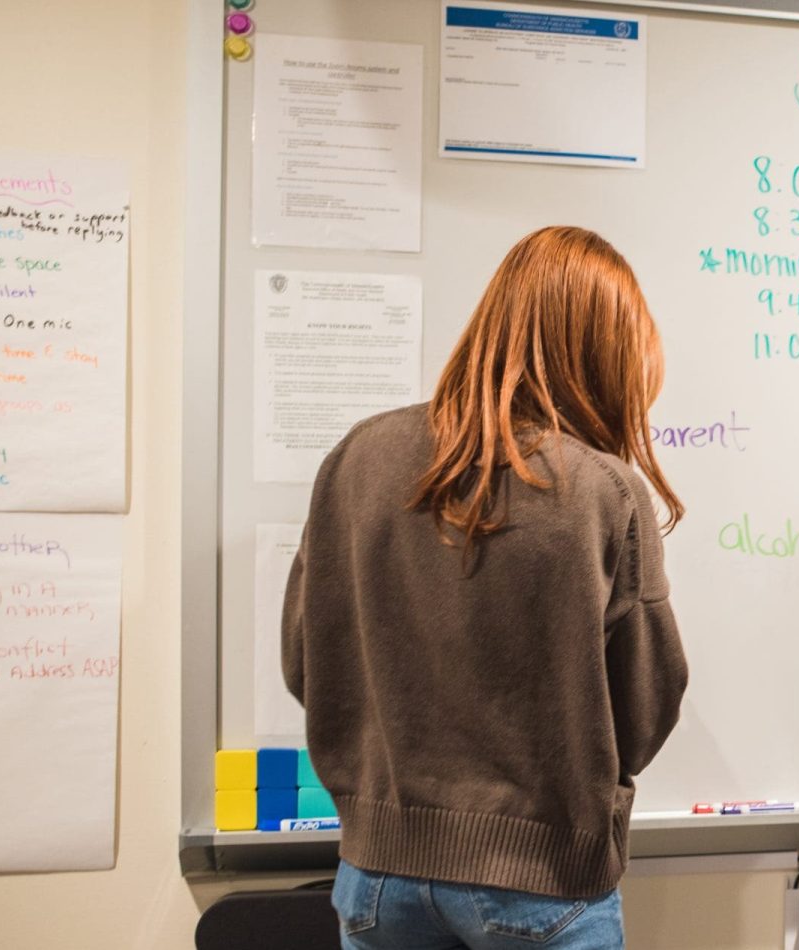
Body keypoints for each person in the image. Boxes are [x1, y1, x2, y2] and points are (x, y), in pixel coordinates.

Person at [283, 226, 689, 950]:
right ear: (603, 354)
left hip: (378, 873)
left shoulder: (359, 457)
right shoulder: (600, 490)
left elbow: (304, 660)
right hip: (546, 884)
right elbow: (648, 705)